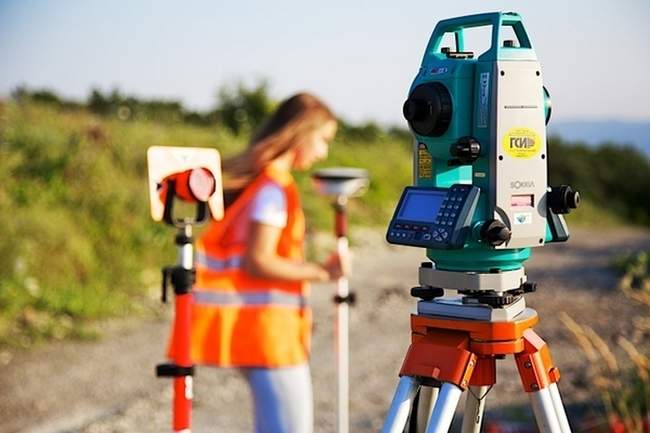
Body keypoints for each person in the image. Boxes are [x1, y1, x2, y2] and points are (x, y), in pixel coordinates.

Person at [169, 92, 347, 433]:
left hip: (263, 334)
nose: (323, 151)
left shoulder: (264, 183)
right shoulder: (273, 190)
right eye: (322, 140)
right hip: (269, 338)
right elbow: (258, 261)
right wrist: (323, 271)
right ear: (300, 132)